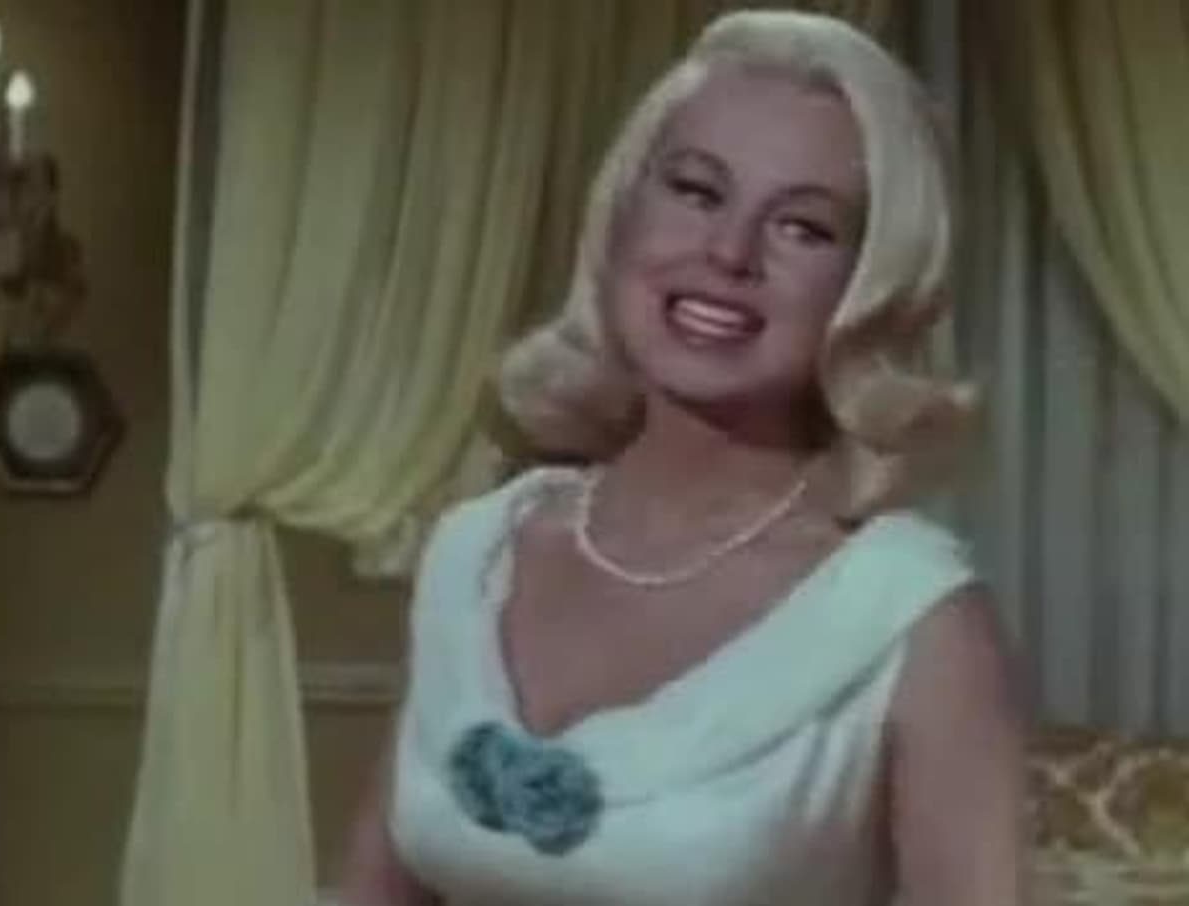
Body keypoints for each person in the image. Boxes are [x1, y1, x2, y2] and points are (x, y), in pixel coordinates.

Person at [330, 10, 1027, 906]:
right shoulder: (477, 553)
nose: (728, 253)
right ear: (620, 215)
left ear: (872, 284)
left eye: (803, 228)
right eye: (697, 192)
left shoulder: (909, 619)